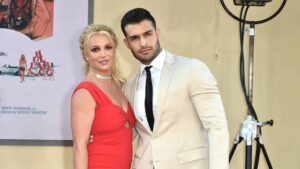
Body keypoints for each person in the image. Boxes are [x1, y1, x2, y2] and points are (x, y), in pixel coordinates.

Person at [121, 8, 229, 169]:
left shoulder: (193, 69)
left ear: (157, 33)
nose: (143, 43)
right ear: (126, 43)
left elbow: (216, 127)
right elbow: (134, 131)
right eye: (135, 38)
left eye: (147, 34)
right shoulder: (129, 86)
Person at [71, 24, 136, 169]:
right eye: (95, 49)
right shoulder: (85, 93)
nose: (103, 54)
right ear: (86, 55)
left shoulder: (121, 85)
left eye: (108, 47)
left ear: (114, 50)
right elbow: (79, 146)